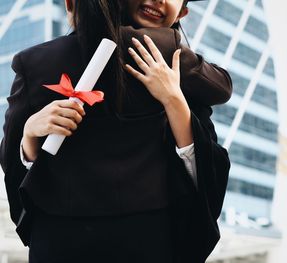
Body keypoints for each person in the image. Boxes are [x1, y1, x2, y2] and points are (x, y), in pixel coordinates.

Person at [0, 0, 232, 262]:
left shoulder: (35, 62)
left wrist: (27, 139)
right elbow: (222, 90)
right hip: (146, 238)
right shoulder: (168, 50)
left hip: (62, 239)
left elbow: (13, 166)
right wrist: (31, 133)